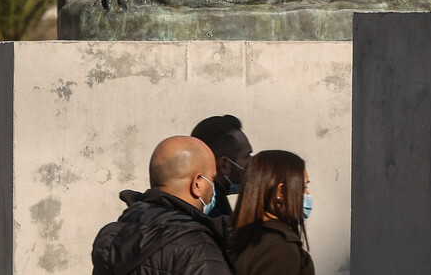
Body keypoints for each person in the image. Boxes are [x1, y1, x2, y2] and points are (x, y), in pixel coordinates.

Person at [91, 135, 232, 275]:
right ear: (197, 183)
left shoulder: (112, 237)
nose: (213, 186)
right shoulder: (198, 248)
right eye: (212, 178)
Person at [233, 150, 314, 275]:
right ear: (280, 192)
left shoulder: (240, 235)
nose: (307, 195)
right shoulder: (279, 248)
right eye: (303, 188)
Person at [190, 115, 253, 218]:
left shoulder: (193, 202)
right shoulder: (214, 214)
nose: (252, 162)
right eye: (247, 156)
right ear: (224, 165)